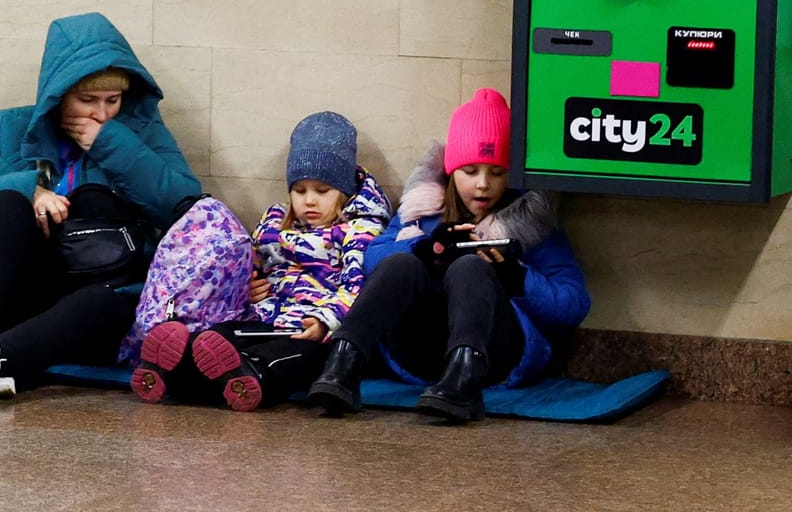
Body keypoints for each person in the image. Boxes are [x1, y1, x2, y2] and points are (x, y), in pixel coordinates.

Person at [0, 13, 203, 407]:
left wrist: (112, 144)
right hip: (31, 286)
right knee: (4, 204)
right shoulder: (11, 127)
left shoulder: (141, 131)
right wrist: (29, 188)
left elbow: (187, 208)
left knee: (101, 303)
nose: (101, 113)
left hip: (102, 295)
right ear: (59, 94)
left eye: (112, 101)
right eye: (87, 100)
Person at [307, 88, 590, 422]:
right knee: (400, 262)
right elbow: (374, 257)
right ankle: (343, 362)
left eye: (497, 173)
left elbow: (572, 306)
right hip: (421, 351)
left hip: (494, 355)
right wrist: (428, 250)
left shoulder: (531, 225)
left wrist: (516, 276)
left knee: (469, 267)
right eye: (470, 171)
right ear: (451, 171)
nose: (483, 185)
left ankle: (463, 380)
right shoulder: (421, 211)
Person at [131, 111, 388, 411]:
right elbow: (251, 262)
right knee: (218, 338)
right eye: (299, 190)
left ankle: (248, 377)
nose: (309, 201)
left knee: (297, 355)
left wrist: (325, 321)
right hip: (263, 316)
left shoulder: (359, 228)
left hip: (310, 327)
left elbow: (356, 286)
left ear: (343, 192)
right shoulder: (275, 221)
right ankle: (174, 366)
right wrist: (249, 286)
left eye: (322, 191)